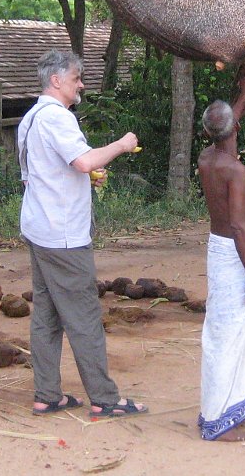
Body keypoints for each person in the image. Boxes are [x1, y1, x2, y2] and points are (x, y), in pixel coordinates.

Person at [18, 49, 147, 419]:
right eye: (76, 78)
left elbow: (49, 171)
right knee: (83, 316)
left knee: (47, 314)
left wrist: (86, 173)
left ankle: (48, 394)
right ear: (56, 80)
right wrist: (121, 145)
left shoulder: (30, 118)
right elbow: (84, 159)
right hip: (63, 236)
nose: (81, 85)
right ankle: (105, 399)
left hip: (39, 229)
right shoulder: (57, 118)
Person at [197, 68, 245, 442]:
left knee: (232, 332)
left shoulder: (208, 159)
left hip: (219, 251)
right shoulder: (235, 172)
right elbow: (240, 228)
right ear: (234, 132)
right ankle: (217, 420)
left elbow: (225, 128)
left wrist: (244, 96)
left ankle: (229, 407)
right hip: (235, 257)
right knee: (224, 337)